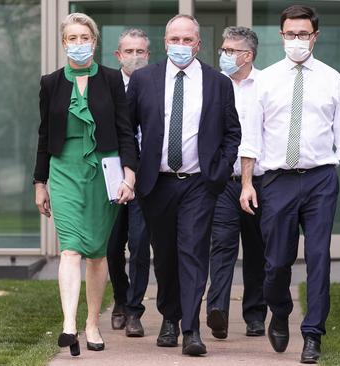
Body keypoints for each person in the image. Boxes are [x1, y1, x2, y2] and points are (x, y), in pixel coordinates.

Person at [239, 5, 340, 364]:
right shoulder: (264, 80)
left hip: (320, 180)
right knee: (275, 262)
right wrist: (247, 183)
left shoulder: (331, 79)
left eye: (303, 34)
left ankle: (313, 335)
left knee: (318, 258)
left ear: (315, 36)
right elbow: (251, 138)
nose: (297, 40)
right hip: (276, 180)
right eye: (290, 34)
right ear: (281, 36)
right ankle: (279, 310)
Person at [127, 14, 241, 356]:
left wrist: (218, 172)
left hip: (198, 183)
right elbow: (126, 130)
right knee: (163, 256)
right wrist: (132, 170)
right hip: (156, 183)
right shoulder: (144, 79)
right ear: (165, 43)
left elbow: (232, 132)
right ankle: (170, 317)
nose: (180, 46)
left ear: (198, 44)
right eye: (174, 40)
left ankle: (191, 329)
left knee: (192, 251)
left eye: (187, 40)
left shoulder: (217, 82)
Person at [33, 12, 138, 357]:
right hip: (64, 171)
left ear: (95, 41)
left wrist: (129, 176)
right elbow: (44, 136)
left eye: (85, 38)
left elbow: (126, 132)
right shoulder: (51, 83)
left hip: (103, 173)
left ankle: (92, 323)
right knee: (70, 248)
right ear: (64, 43)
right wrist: (40, 182)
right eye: (72, 39)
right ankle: (68, 324)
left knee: (96, 254)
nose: (78, 44)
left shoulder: (110, 80)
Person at [206, 26, 267, 340]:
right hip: (224, 182)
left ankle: (255, 315)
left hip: (260, 181)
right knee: (222, 246)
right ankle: (217, 311)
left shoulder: (267, 85)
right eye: (223, 49)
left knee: (257, 251)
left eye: (230, 50)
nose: (224, 55)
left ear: (248, 55)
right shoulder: (214, 84)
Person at [107, 28, 152, 338]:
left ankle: (135, 310)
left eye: (140, 51)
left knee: (139, 245)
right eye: (129, 51)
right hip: (112, 177)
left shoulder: (155, 84)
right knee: (112, 246)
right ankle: (120, 299)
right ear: (118, 55)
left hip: (145, 179)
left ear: (148, 55)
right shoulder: (107, 86)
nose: (135, 56)